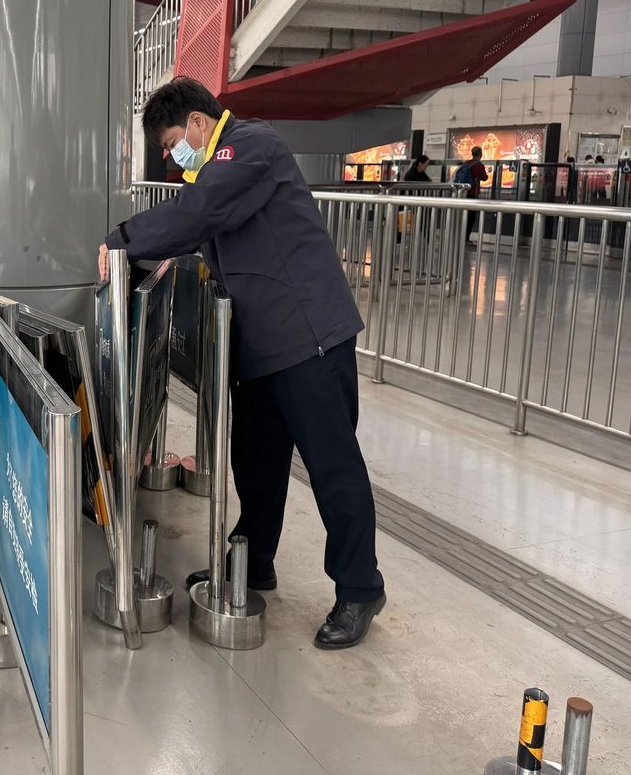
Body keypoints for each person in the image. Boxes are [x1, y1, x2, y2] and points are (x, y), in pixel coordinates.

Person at [97, 77, 386, 650]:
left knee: (333, 466)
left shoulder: (252, 146)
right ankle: (254, 562)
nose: (173, 158)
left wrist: (121, 239)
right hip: (261, 347)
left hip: (307, 337)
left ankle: (360, 587)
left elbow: (200, 211)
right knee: (257, 463)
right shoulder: (218, 166)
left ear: (199, 123)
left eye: (173, 144)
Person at [452, 146, 488, 239]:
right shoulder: (479, 165)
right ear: (480, 154)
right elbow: (485, 177)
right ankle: (466, 238)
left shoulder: (467, 163)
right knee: (471, 217)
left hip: (462, 193)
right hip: (472, 193)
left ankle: (459, 236)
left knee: (463, 215)